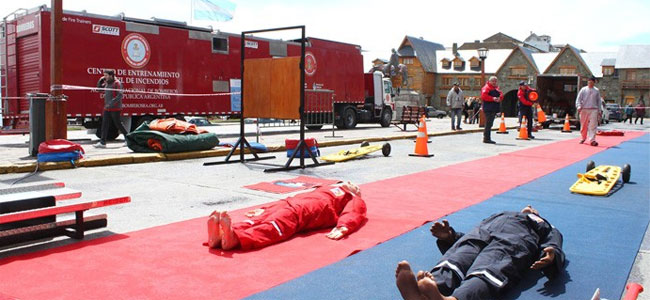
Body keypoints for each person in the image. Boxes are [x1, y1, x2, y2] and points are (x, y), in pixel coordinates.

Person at [395, 205, 565, 300]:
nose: (529, 207)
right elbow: (464, 237)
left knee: (490, 266)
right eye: (527, 206)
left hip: (516, 238)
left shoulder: (543, 224)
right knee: (459, 255)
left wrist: (551, 253)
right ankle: (425, 294)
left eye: (532, 208)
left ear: (537, 213)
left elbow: (553, 241)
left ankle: (453, 299)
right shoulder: (502, 212)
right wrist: (449, 236)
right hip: (482, 232)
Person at [206, 182, 367, 250]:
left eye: (355, 187)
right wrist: (265, 207)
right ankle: (223, 236)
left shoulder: (351, 197)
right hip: (292, 204)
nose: (352, 184)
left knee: (274, 223)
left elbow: (354, 211)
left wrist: (345, 226)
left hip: (303, 210)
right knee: (265, 219)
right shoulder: (326, 187)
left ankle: (232, 237)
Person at [94, 70, 129, 148]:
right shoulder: (107, 83)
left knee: (118, 124)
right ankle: (102, 142)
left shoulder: (117, 83)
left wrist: (111, 104)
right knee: (104, 124)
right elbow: (99, 90)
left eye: (106, 75)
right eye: (104, 76)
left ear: (111, 75)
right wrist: (100, 81)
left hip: (115, 108)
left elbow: (119, 95)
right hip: (107, 108)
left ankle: (128, 139)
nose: (105, 77)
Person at [575, 76, 602, 146]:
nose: (590, 84)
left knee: (593, 125)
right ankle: (583, 137)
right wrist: (578, 106)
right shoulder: (583, 90)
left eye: (591, 82)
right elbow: (578, 99)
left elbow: (599, 101)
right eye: (589, 82)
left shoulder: (596, 90)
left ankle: (592, 140)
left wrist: (599, 110)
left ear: (594, 83)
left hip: (593, 109)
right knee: (584, 125)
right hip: (584, 109)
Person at [480, 76, 503, 144]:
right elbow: (484, 96)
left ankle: (487, 137)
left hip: (493, 108)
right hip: (488, 108)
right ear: (489, 81)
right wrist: (492, 98)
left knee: (490, 123)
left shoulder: (496, 88)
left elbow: (501, 94)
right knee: (488, 123)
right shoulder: (486, 88)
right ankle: (486, 138)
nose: (494, 82)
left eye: (495, 81)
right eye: (493, 81)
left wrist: (500, 98)